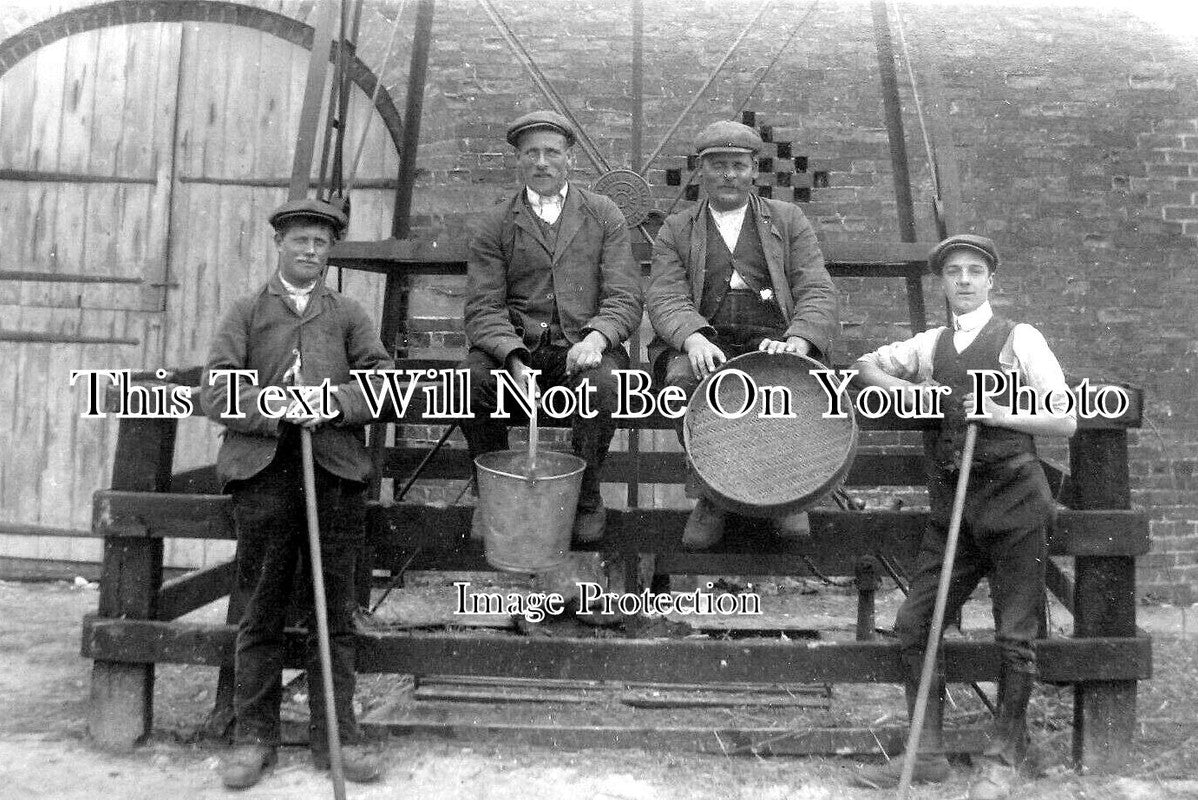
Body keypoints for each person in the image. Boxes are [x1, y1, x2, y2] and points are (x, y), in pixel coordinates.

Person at [849, 234, 1077, 798]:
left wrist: (1000, 412)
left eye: (976, 271)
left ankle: (1002, 757)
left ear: (991, 280)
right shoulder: (931, 344)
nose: (966, 281)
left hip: (1016, 503)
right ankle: (926, 754)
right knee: (915, 623)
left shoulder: (1018, 338)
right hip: (955, 505)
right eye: (954, 272)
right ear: (943, 282)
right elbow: (863, 365)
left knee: (1014, 635)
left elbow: (1065, 419)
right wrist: (904, 392)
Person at [201, 198, 391, 789]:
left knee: (332, 613)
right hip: (264, 473)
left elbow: (382, 382)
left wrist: (332, 404)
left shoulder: (349, 313)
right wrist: (277, 406)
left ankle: (336, 739)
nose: (311, 251)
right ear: (280, 244)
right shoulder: (247, 311)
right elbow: (217, 391)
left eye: (322, 244)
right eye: (301, 241)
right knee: (259, 606)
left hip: (332, 472)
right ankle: (251, 737)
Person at [646, 119, 838, 548]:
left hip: (774, 334)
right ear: (701, 172)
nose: (728, 175)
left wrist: (799, 341)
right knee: (681, 384)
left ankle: (788, 494)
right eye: (717, 166)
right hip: (706, 338)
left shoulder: (787, 220)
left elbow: (816, 287)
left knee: (792, 383)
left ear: (754, 170)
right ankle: (714, 494)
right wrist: (693, 337)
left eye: (738, 165)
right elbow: (664, 296)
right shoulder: (677, 229)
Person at [461, 110, 643, 544]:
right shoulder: (496, 222)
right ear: (518, 161)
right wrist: (513, 357)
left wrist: (597, 338)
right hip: (519, 349)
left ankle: (585, 497)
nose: (541, 162)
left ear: (569, 159)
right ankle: (492, 494)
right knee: (471, 381)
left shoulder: (603, 214)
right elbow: (483, 307)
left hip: (584, 347)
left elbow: (624, 295)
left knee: (603, 385)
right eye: (531, 154)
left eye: (551, 152)